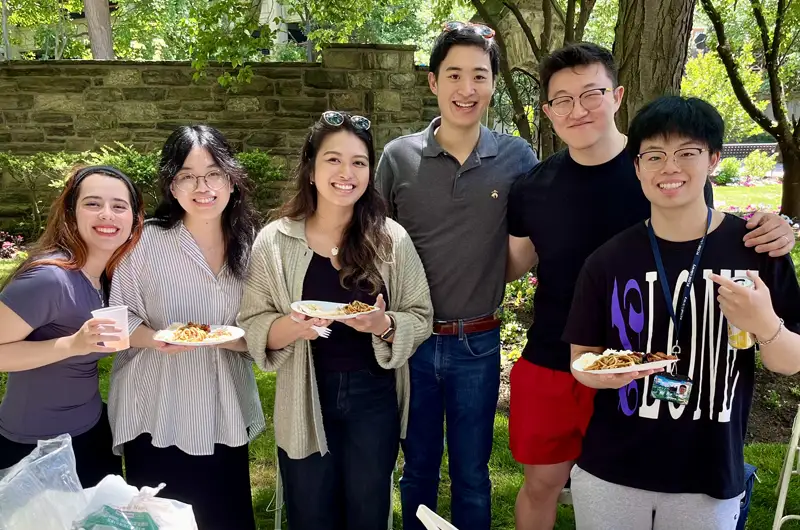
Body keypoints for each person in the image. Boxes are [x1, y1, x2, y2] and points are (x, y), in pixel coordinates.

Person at [505, 43, 797, 530]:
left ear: (616, 96)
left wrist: (779, 229)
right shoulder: (532, 186)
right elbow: (511, 265)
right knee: (543, 486)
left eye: (591, 93)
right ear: (548, 110)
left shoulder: (665, 167)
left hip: (664, 365)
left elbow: (713, 235)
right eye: (562, 99)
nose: (578, 109)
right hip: (561, 359)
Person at [376, 22, 538, 530]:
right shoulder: (397, 157)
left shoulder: (517, 158)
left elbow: (530, 241)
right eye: (454, 75)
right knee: (417, 468)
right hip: (414, 341)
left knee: (472, 473)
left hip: (480, 342)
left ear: (493, 83)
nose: (466, 90)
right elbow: (372, 243)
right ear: (433, 82)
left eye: (479, 76)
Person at [238, 110, 433, 530]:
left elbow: (421, 314)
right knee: (310, 511)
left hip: (373, 394)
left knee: (368, 509)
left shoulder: (390, 238)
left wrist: (382, 325)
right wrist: (294, 326)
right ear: (310, 170)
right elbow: (253, 321)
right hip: (307, 392)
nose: (347, 172)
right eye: (333, 159)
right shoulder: (275, 240)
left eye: (359, 162)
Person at [108, 126, 264, 529]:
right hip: (156, 412)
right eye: (187, 176)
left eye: (213, 173)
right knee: (163, 519)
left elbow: (262, 325)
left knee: (223, 516)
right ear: (171, 186)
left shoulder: (251, 246)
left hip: (223, 410)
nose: (202, 186)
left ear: (231, 178)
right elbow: (118, 315)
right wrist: (153, 337)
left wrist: (234, 339)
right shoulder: (144, 242)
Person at [0, 165, 143, 487]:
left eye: (119, 206)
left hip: (91, 429)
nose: (107, 214)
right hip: (36, 443)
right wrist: (74, 344)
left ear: (134, 220)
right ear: (71, 213)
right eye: (93, 204)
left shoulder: (108, 277)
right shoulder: (49, 278)